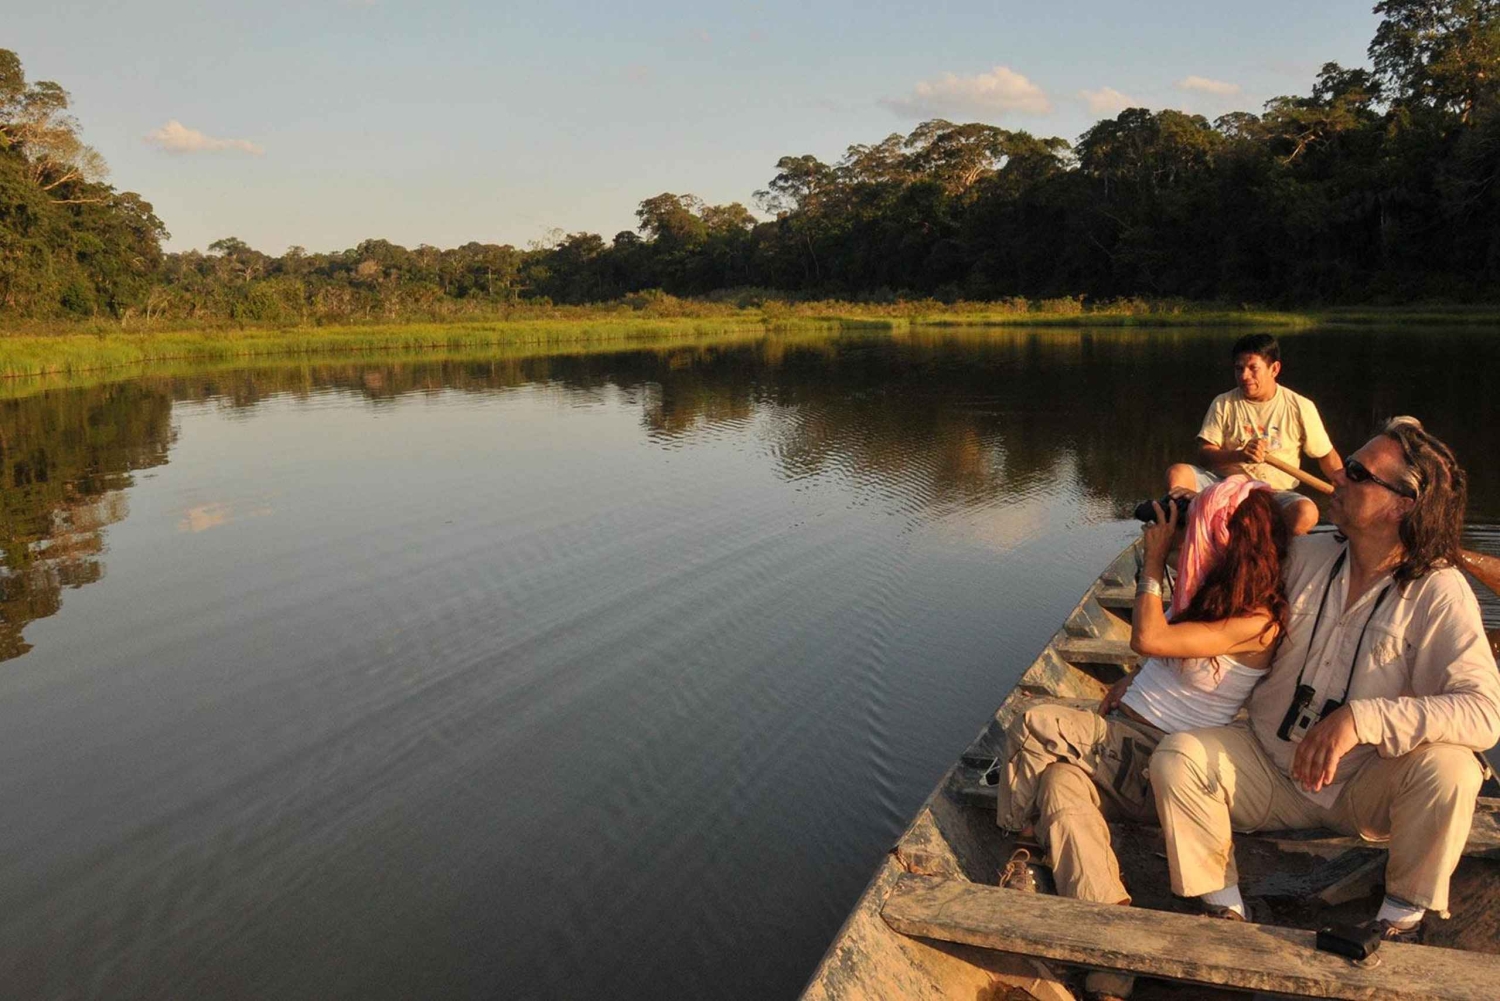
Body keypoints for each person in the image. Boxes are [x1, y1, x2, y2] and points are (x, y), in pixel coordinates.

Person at [1150, 417, 1500, 943]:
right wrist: (1145, 678)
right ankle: (1222, 909)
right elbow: (1220, 605)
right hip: (1269, 765)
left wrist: (1361, 719)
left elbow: (1483, 712)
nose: (1337, 476)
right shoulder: (1306, 555)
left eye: (1357, 473)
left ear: (1403, 503)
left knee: (1452, 769)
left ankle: (1399, 915)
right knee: (1177, 757)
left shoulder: (1440, 592)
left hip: (1367, 786)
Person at [991, 476, 1288, 1001]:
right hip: (1120, 744)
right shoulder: (1209, 591)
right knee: (1059, 784)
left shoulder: (1257, 620)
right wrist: (1136, 677)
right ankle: (1111, 953)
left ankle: (1024, 845)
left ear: (1229, 539)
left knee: (1035, 722)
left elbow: (1149, 635)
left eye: (1199, 525)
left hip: (1159, 764)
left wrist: (1152, 564)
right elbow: (1166, 653)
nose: (1187, 534)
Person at [1167, 333, 1343, 536]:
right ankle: (1201, 522)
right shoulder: (1223, 403)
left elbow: (1325, 455)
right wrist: (1240, 455)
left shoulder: (1299, 406)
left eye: (1253, 368)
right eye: (1239, 369)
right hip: (1224, 488)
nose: (1244, 376)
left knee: (1306, 513)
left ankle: (1261, 540)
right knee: (1177, 473)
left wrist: (1344, 487)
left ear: (1274, 369)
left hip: (1275, 494)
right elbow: (1204, 455)